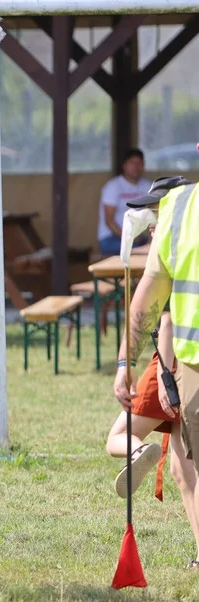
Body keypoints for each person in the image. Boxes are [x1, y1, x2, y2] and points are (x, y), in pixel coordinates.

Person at [105, 176, 199, 568]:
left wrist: (137, 367)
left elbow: (161, 316)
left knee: (183, 463)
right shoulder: (178, 217)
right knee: (182, 464)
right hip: (182, 369)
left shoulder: (180, 214)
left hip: (181, 368)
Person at [98, 148, 151, 256]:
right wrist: (129, 237)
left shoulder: (148, 186)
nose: (136, 167)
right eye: (132, 163)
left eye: (139, 163)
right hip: (111, 238)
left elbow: (155, 213)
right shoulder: (113, 186)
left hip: (138, 238)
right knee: (138, 250)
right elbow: (109, 221)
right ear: (124, 165)